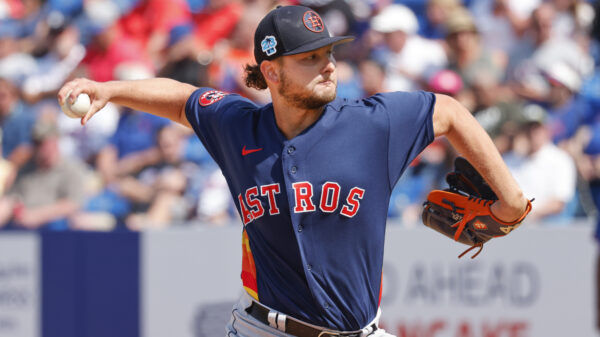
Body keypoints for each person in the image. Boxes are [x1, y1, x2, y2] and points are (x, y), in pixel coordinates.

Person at [58, 5, 529, 336]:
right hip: (261, 328)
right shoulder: (237, 127)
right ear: (273, 73)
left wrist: (509, 200)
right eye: (309, 58)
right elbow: (182, 98)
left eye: (328, 53)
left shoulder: (373, 125)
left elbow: (447, 110)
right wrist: (110, 89)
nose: (327, 65)